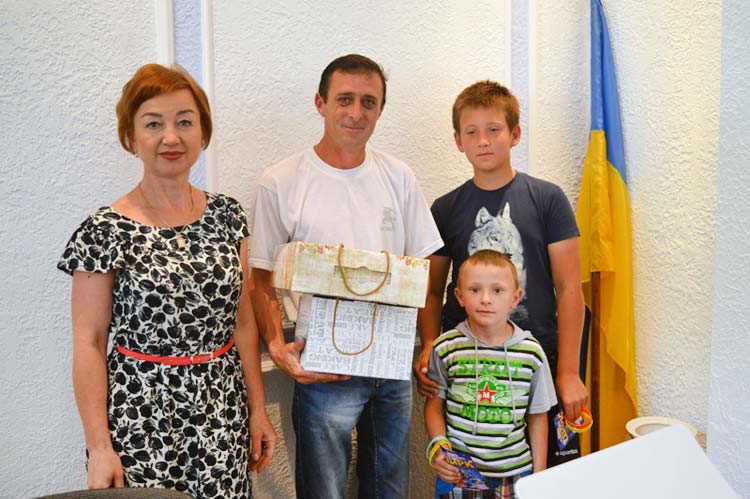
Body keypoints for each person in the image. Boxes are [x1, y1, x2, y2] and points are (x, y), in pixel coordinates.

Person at [58, 63, 276, 498]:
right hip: (140, 415)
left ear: (203, 132)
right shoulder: (104, 230)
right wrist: (99, 446)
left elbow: (243, 322)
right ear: (131, 136)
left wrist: (258, 409)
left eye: (185, 122)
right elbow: (89, 341)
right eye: (153, 124)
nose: (171, 137)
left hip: (222, 408)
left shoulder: (228, 216)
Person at [248, 54, 443, 499]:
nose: (356, 113)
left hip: (392, 361)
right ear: (320, 103)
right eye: (344, 99)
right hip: (321, 365)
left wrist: (429, 341)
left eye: (368, 102)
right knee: (325, 492)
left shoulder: (398, 176)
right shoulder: (281, 182)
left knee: (389, 489)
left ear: (381, 109)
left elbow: (425, 265)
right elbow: (260, 280)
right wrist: (277, 348)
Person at [414, 80, 588, 467]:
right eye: (471, 132)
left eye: (494, 129)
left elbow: (569, 289)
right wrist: (428, 344)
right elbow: (431, 291)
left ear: (515, 134)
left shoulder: (548, 199)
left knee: (546, 475)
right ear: (458, 140)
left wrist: (569, 371)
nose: (483, 141)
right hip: (467, 363)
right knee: (473, 473)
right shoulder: (445, 208)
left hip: (538, 358)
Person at [425, 250, 556, 498]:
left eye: (497, 290)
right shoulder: (445, 348)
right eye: (475, 290)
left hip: (515, 475)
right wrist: (439, 448)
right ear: (459, 296)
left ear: (515, 298)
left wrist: (538, 476)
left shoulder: (531, 353)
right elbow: (433, 406)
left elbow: (538, 416)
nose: (485, 299)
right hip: (459, 475)